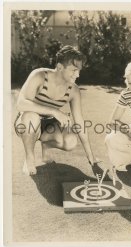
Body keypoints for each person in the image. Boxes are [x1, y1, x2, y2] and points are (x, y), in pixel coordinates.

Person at [14, 45, 98, 176]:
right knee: (32, 117)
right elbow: (21, 104)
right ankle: (29, 158)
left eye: (79, 70)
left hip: (48, 125)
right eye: (74, 70)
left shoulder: (74, 90)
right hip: (26, 122)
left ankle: (45, 147)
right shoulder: (39, 75)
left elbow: (80, 122)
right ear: (59, 67)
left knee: (70, 141)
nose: (78, 74)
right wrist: (55, 111)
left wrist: (90, 156)